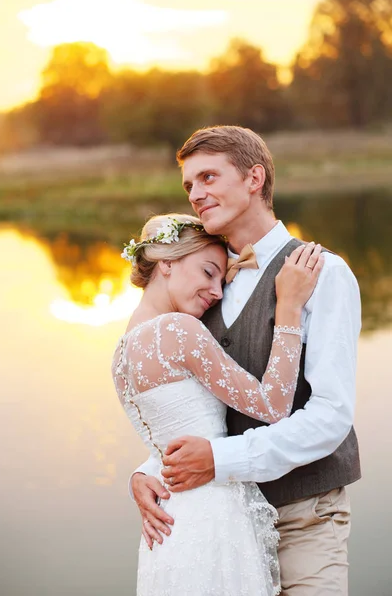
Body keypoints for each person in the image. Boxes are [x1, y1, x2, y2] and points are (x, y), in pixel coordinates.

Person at [130, 126, 362, 596]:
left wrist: (218, 459)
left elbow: (330, 417)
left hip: (305, 518)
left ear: (254, 178)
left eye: (208, 177)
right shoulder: (201, 284)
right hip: (222, 527)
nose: (196, 194)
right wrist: (148, 471)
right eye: (189, 185)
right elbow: (189, 403)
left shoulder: (323, 273)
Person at [113, 212, 323, 596]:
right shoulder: (179, 330)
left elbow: (164, 442)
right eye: (208, 272)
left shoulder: (121, 355)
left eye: (221, 279)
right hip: (212, 516)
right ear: (168, 263)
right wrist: (289, 307)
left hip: (169, 528)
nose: (217, 291)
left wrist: (138, 478)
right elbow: (273, 404)